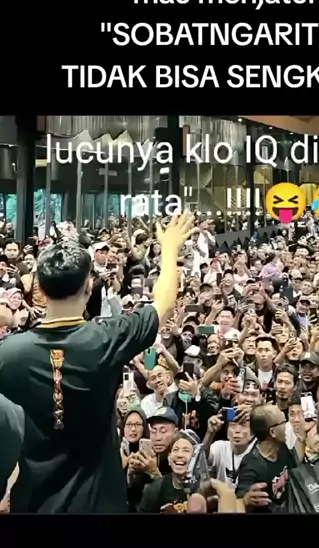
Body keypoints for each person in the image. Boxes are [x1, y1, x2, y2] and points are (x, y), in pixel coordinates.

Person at [0, 212, 195, 513]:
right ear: (89, 288)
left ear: (40, 289)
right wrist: (169, 250)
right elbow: (164, 303)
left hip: (34, 503)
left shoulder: (9, 352)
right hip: (98, 504)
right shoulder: (108, 338)